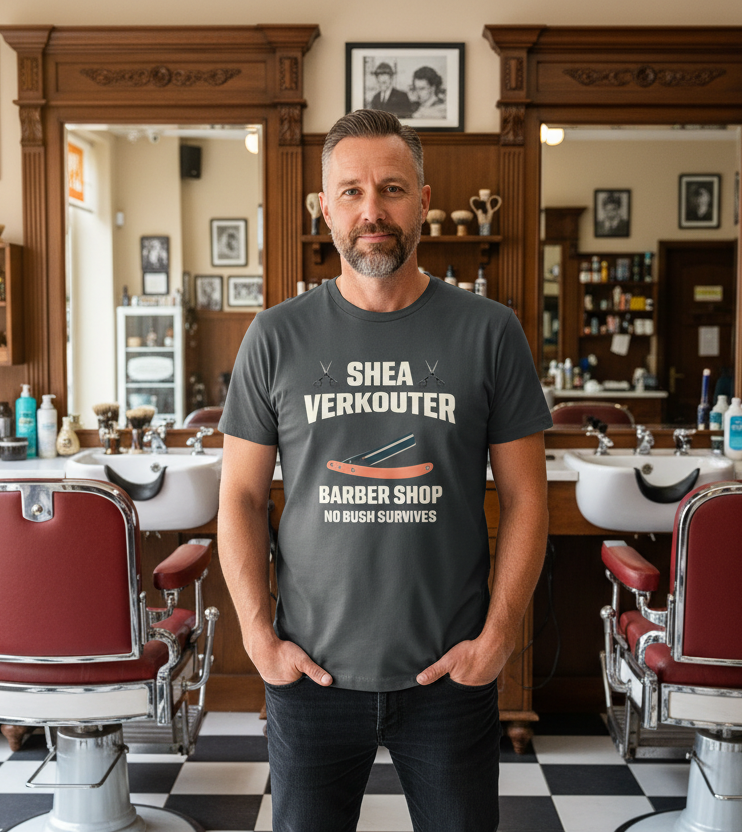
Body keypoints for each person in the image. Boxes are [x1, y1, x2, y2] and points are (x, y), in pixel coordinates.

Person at [218, 108, 551, 832]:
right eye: (351, 191)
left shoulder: (491, 332)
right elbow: (240, 498)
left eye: (393, 189)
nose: (373, 210)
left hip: (449, 674)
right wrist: (255, 637)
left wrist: (498, 638)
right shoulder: (275, 336)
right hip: (310, 674)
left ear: (425, 201)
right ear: (324, 207)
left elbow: (528, 499)